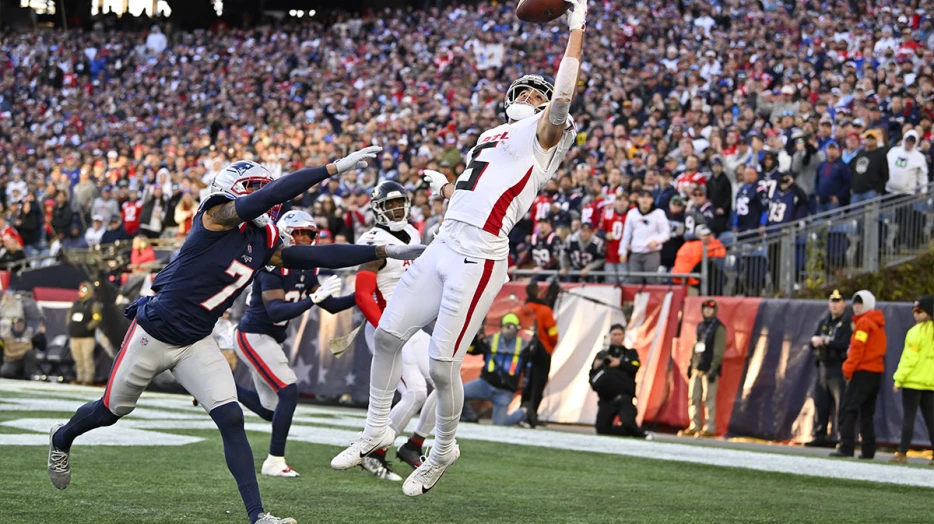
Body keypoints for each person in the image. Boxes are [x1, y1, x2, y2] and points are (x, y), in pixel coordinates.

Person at [48, 152, 426, 524]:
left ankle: (257, 515)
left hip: (196, 339)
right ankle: (62, 438)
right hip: (155, 331)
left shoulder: (264, 241)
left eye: (263, 187)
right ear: (231, 191)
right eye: (253, 188)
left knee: (231, 418)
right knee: (111, 411)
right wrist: (329, 169)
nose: (264, 195)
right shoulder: (216, 216)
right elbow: (266, 198)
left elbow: (322, 254)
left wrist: (383, 250)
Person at [331, 0, 586, 497]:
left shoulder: (547, 133)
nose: (532, 96)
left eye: (540, 92)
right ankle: (376, 429)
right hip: (445, 243)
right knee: (387, 336)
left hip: (479, 256)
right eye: (527, 91)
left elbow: (562, 100)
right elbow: (485, 191)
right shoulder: (493, 133)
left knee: (442, 364)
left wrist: (576, 25)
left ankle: (443, 447)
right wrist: (448, 190)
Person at [234, 210, 355, 479]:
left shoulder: (306, 267)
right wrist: (312, 300)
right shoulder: (271, 264)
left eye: (309, 234)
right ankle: (274, 461)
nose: (304, 239)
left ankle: (217, 386)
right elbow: (276, 310)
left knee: (270, 410)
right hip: (252, 335)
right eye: (298, 232)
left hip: (270, 338)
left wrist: (364, 295)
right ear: (286, 233)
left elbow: (332, 306)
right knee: (289, 392)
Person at [354, 181, 432, 478]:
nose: (397, 209)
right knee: (415, 392)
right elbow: (363, 294)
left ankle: (413, 444)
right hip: (386, 329)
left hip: (411, 326)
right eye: (390, 204)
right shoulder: (373, 240)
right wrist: (386, 328)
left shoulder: (412, 232)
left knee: (448, 381)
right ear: (378, 209)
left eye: (400, 203)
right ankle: (373, 452)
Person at [831, 290, 887, 459]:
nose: (856, 307)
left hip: (863, 372)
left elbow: (857, 350)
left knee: (848, 408)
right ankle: (868, 449)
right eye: (855, 303)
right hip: (876, 373)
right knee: (867, 412)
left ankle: (846, 446)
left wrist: (847, 369)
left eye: (860, 303)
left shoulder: (864, 323)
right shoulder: (876, 323)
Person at [459, 314, 529, 426]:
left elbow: (530, 366)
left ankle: (523, 413)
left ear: (517, 329)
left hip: (505, 390)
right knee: (458, 393)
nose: (509, 330)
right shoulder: (490, 340)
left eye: (512, 327)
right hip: (485, 384)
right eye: (507, 326)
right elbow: (473, 349)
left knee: (499, 424)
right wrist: (475, 335)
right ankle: (469, 416)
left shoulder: (524, 346)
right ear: (501, 327)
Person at [890, 296, 934, 464]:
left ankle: (902, 452)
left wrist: (898, 379)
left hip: (913, 382)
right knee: (931, 419)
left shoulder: (916, 332)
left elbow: (909, 359)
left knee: (909, 417)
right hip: (930, 383)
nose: (915, 314)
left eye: (919, 311)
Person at [805, 289, 852, 448]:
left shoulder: (846, 322)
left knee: (841, 405)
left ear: (844, 304)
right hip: (823, 367)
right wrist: (814, 341)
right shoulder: (825, 321)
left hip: (838, 367)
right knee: (821, 403)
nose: (834, 304)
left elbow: (845, 343)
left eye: (838, 301)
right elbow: (812, 340)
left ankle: (842, 437)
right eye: (832, 301)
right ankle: (820, 434)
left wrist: (826, 341)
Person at [589, 323, 651, 439]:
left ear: (623, 336)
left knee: (628, 422)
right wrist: (599, 365)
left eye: (619, 334)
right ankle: (626, 433)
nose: (617, 337)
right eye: (614, 334)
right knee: (601, 429)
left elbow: (635, 366)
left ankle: (640, 434)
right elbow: (593, 376)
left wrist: (620, 363)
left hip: (624, 398)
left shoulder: (630, 353)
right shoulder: (603, 355)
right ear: (610, 336)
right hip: (607, 399)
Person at [680, 298, 727, 438]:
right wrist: (691, 364)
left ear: (715, 311)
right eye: (705, 308)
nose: (707, 311)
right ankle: (694, 425)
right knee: (693, 398)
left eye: (710, 309)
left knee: (708, 399)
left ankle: (709, 427)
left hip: (709, 369)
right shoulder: (701, 326)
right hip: (697, 367)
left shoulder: (718, 328)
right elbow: (695, 346)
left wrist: (714, 368)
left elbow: (719, 350)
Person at [521, 280, 559, 428]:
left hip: (525, 351)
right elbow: (553, 334)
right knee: (538, 384)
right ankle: (532, 416)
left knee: (526, 383)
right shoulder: (545, 311)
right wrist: (550, 347)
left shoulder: (523, 308)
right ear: (538, 293)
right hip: (543, 351)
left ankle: (522, 413)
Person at [619, 190, 670, 283]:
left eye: (647, 197)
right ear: (638, 200)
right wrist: (623, 251)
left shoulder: (658, 213)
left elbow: (666, 233)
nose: (644, 200)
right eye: (642, 197)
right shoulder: (632, 213)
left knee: (652, 280)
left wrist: (656, 240)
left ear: (651, 200)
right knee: (634, 281)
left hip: (651, 252)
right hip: (636, 252)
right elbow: (626, 234)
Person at [67, 282, 102, 385]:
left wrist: (88, 327)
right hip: (75, 336)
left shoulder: (93, 304)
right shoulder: (76, 304)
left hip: (87, 337)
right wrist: (71, 326)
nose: (81, 292)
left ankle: (88, 378)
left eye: (84, 290)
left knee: (87, 358)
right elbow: (69, 316)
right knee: (78, 358)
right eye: (80, 290)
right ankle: (79, 377)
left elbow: (97, 318)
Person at [848, 130, 889, 204]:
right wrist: (852, 186)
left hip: (871, 192)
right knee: (855, 215)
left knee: (871, 215)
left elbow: (885, 175)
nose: (869, 140)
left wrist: (877, 190)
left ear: (876, 140)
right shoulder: (860, 152)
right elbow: (851, 169)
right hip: (857, 192)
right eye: (868, 138)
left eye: (872, 138)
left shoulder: (880, 155)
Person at [886, 130, 928, 195]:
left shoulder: (919, 157)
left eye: (912, 142)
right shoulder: (893, 151)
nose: (909, 143)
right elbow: (884, 167)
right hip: (889, 190)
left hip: (907, 193)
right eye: (907, 140)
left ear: (915, 143)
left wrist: (923, 190)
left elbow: (922, 175)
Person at [732, 166, 769, 235]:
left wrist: (762, 224)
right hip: (741, 227)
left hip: (754, 226)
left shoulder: (759, 189)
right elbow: (737, 210)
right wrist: (735, 224)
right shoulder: (741, 190)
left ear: (756, 176)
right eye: (746, 174)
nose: (748, 176)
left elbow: (765, 208)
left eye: (751, 174)